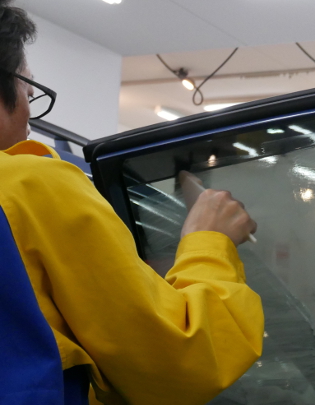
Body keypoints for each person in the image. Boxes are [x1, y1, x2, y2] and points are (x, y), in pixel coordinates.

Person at [0, 1, 263, 404]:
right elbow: (176, 363)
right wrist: (211, 241)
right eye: (28, 90)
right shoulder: (27, 183)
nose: (28, 115)